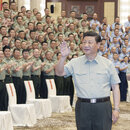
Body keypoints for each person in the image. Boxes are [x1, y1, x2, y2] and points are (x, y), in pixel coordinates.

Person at [55, 31, 120, 130]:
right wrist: (63, 57)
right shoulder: (75, 62)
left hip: (103, 107)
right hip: (83, 106)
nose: (86, 45)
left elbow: (115, 87)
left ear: (98, 45)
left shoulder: (108, 64)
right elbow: (59, 73)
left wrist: (116, 109)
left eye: (90, 42)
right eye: (84, 42)